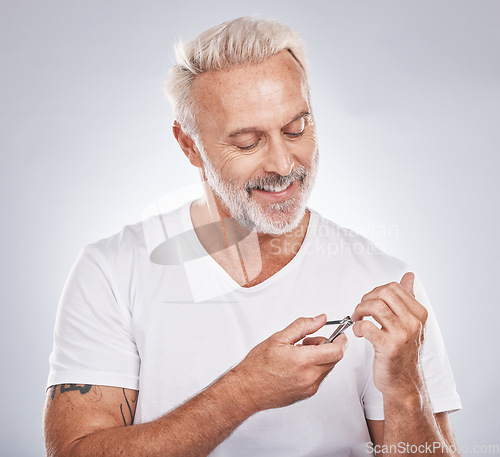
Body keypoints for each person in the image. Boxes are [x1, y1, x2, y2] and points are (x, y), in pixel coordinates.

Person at [44, 16, 462, 457]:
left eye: (296, 129)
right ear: (189, 145)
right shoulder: (111, 272)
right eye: (247, 142)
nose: (283, 164)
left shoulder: (387, 284)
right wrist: (242, 393)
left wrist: (404, 389)